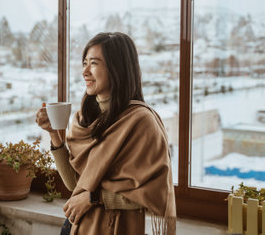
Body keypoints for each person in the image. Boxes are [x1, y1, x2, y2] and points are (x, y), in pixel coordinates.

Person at [36, 32, 176, 235]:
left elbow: (154, 194)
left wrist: (95, 198)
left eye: (93, 63)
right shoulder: (84, 118)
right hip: (75, 227)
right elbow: (75, 184)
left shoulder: (141, 122)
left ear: (117, 68)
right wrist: (53, 134)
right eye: (84, 62)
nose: (85, 71)